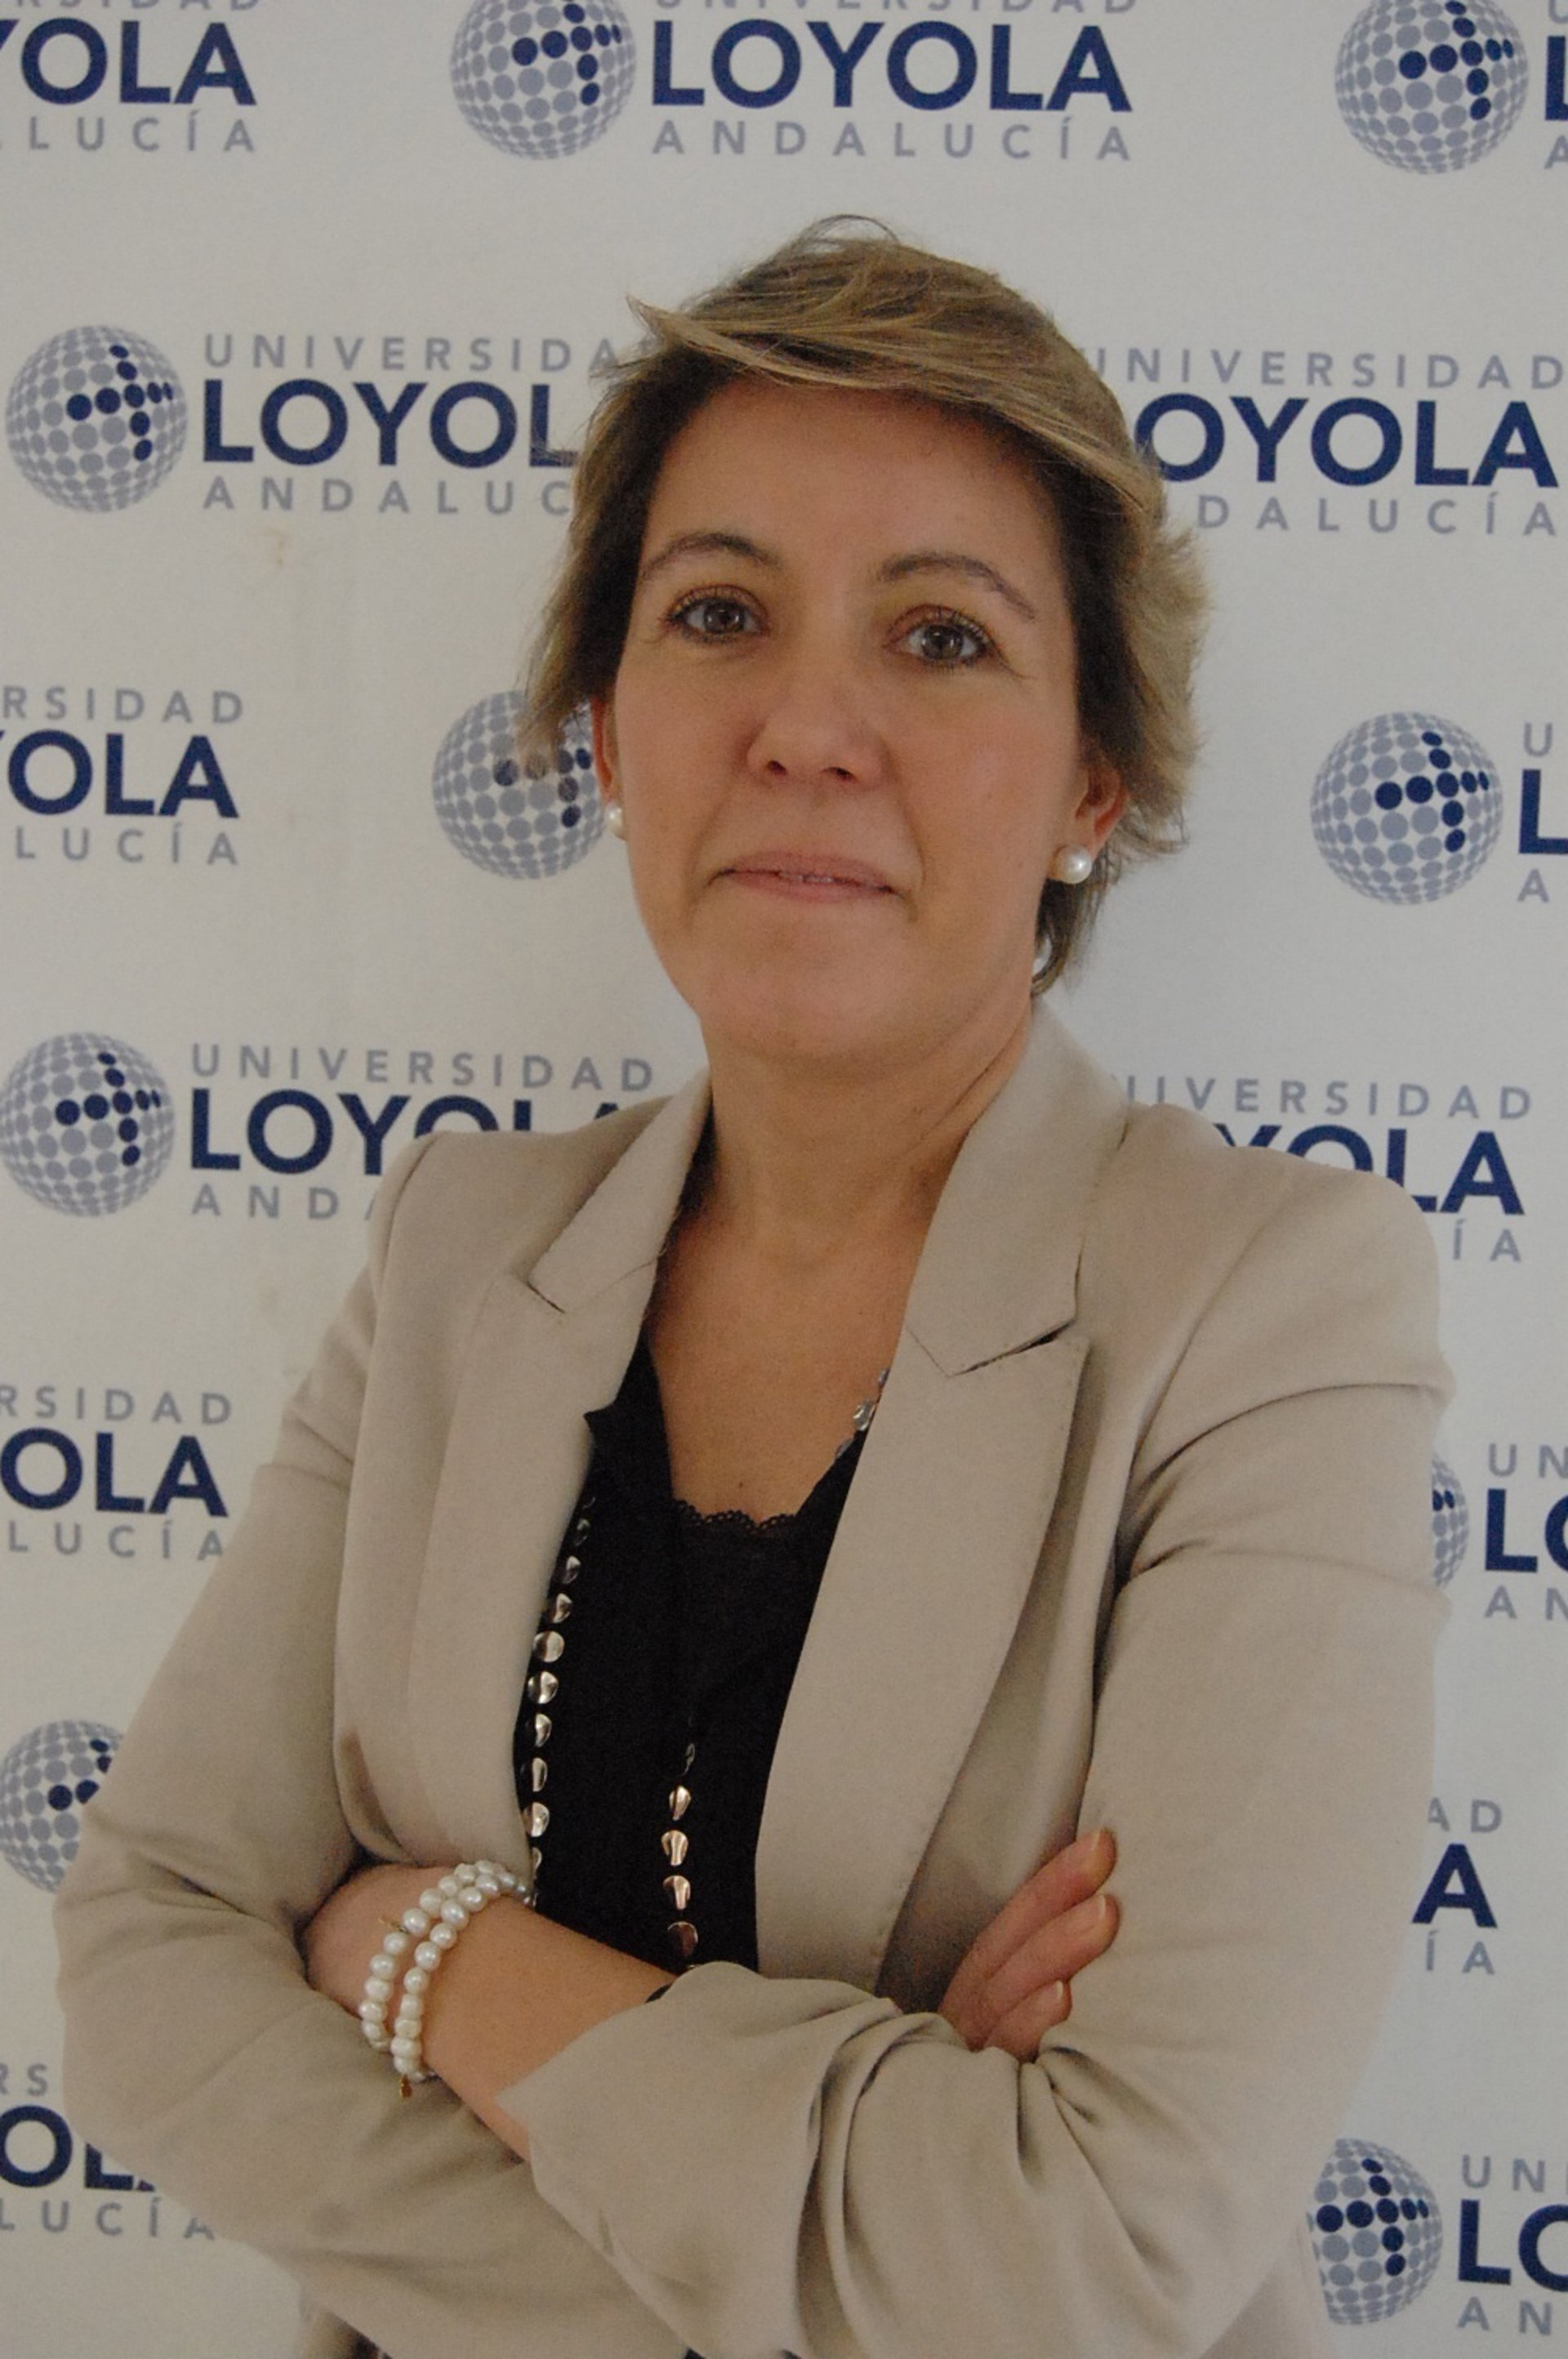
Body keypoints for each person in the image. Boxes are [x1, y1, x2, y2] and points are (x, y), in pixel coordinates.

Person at [54, 224, 1449, 2359]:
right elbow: (152, 1965)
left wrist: (429, 1958)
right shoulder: (459, 1251)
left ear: (1094, 778)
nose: (808, 727)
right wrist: (885, 2180)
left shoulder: (1265, 1311)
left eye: (942, 638)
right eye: (720, 614)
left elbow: (1101, 2246)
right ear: (608, 729)